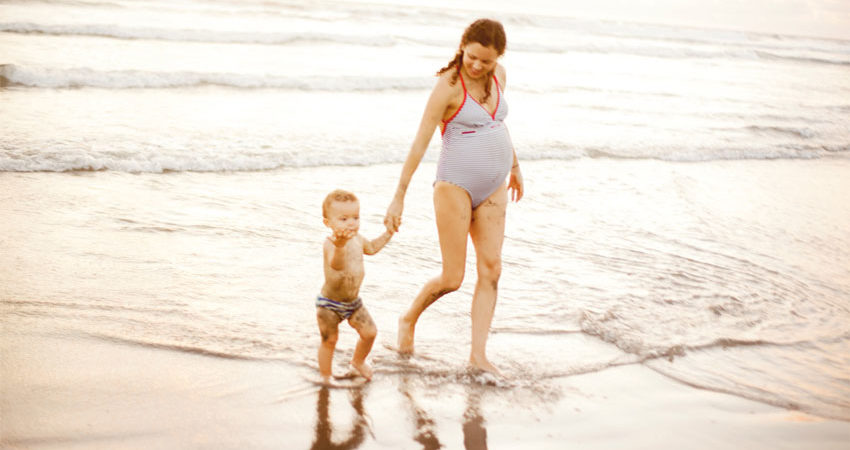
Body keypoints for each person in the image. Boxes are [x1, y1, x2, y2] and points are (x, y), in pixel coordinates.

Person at [384, 18, 524, 375]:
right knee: (453, 277)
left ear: (498, 59)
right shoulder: (447, 86)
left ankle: (478, 356)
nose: (477, 66)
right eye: (472, 57)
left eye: (486, 61)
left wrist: (515, 166)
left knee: (492, 268)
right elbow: (420, 142)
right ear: (462, 46)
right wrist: (398, 196)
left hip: (494, 184)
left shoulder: (500, 77)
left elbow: (498, 124)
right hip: (455, 185)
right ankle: (408, 319)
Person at [317, 189, 394, 383]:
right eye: (343, 219)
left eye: (355, 217)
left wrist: (389, 232)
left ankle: (358, 362)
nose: (351, 223)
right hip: (329, 304)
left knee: (370, 333)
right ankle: (325, 377)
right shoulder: (331, 243)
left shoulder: (358, 239)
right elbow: (337, 264)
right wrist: (341, 245)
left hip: (353, 303)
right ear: (328, 223)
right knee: (330, 340)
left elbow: (372, 248)